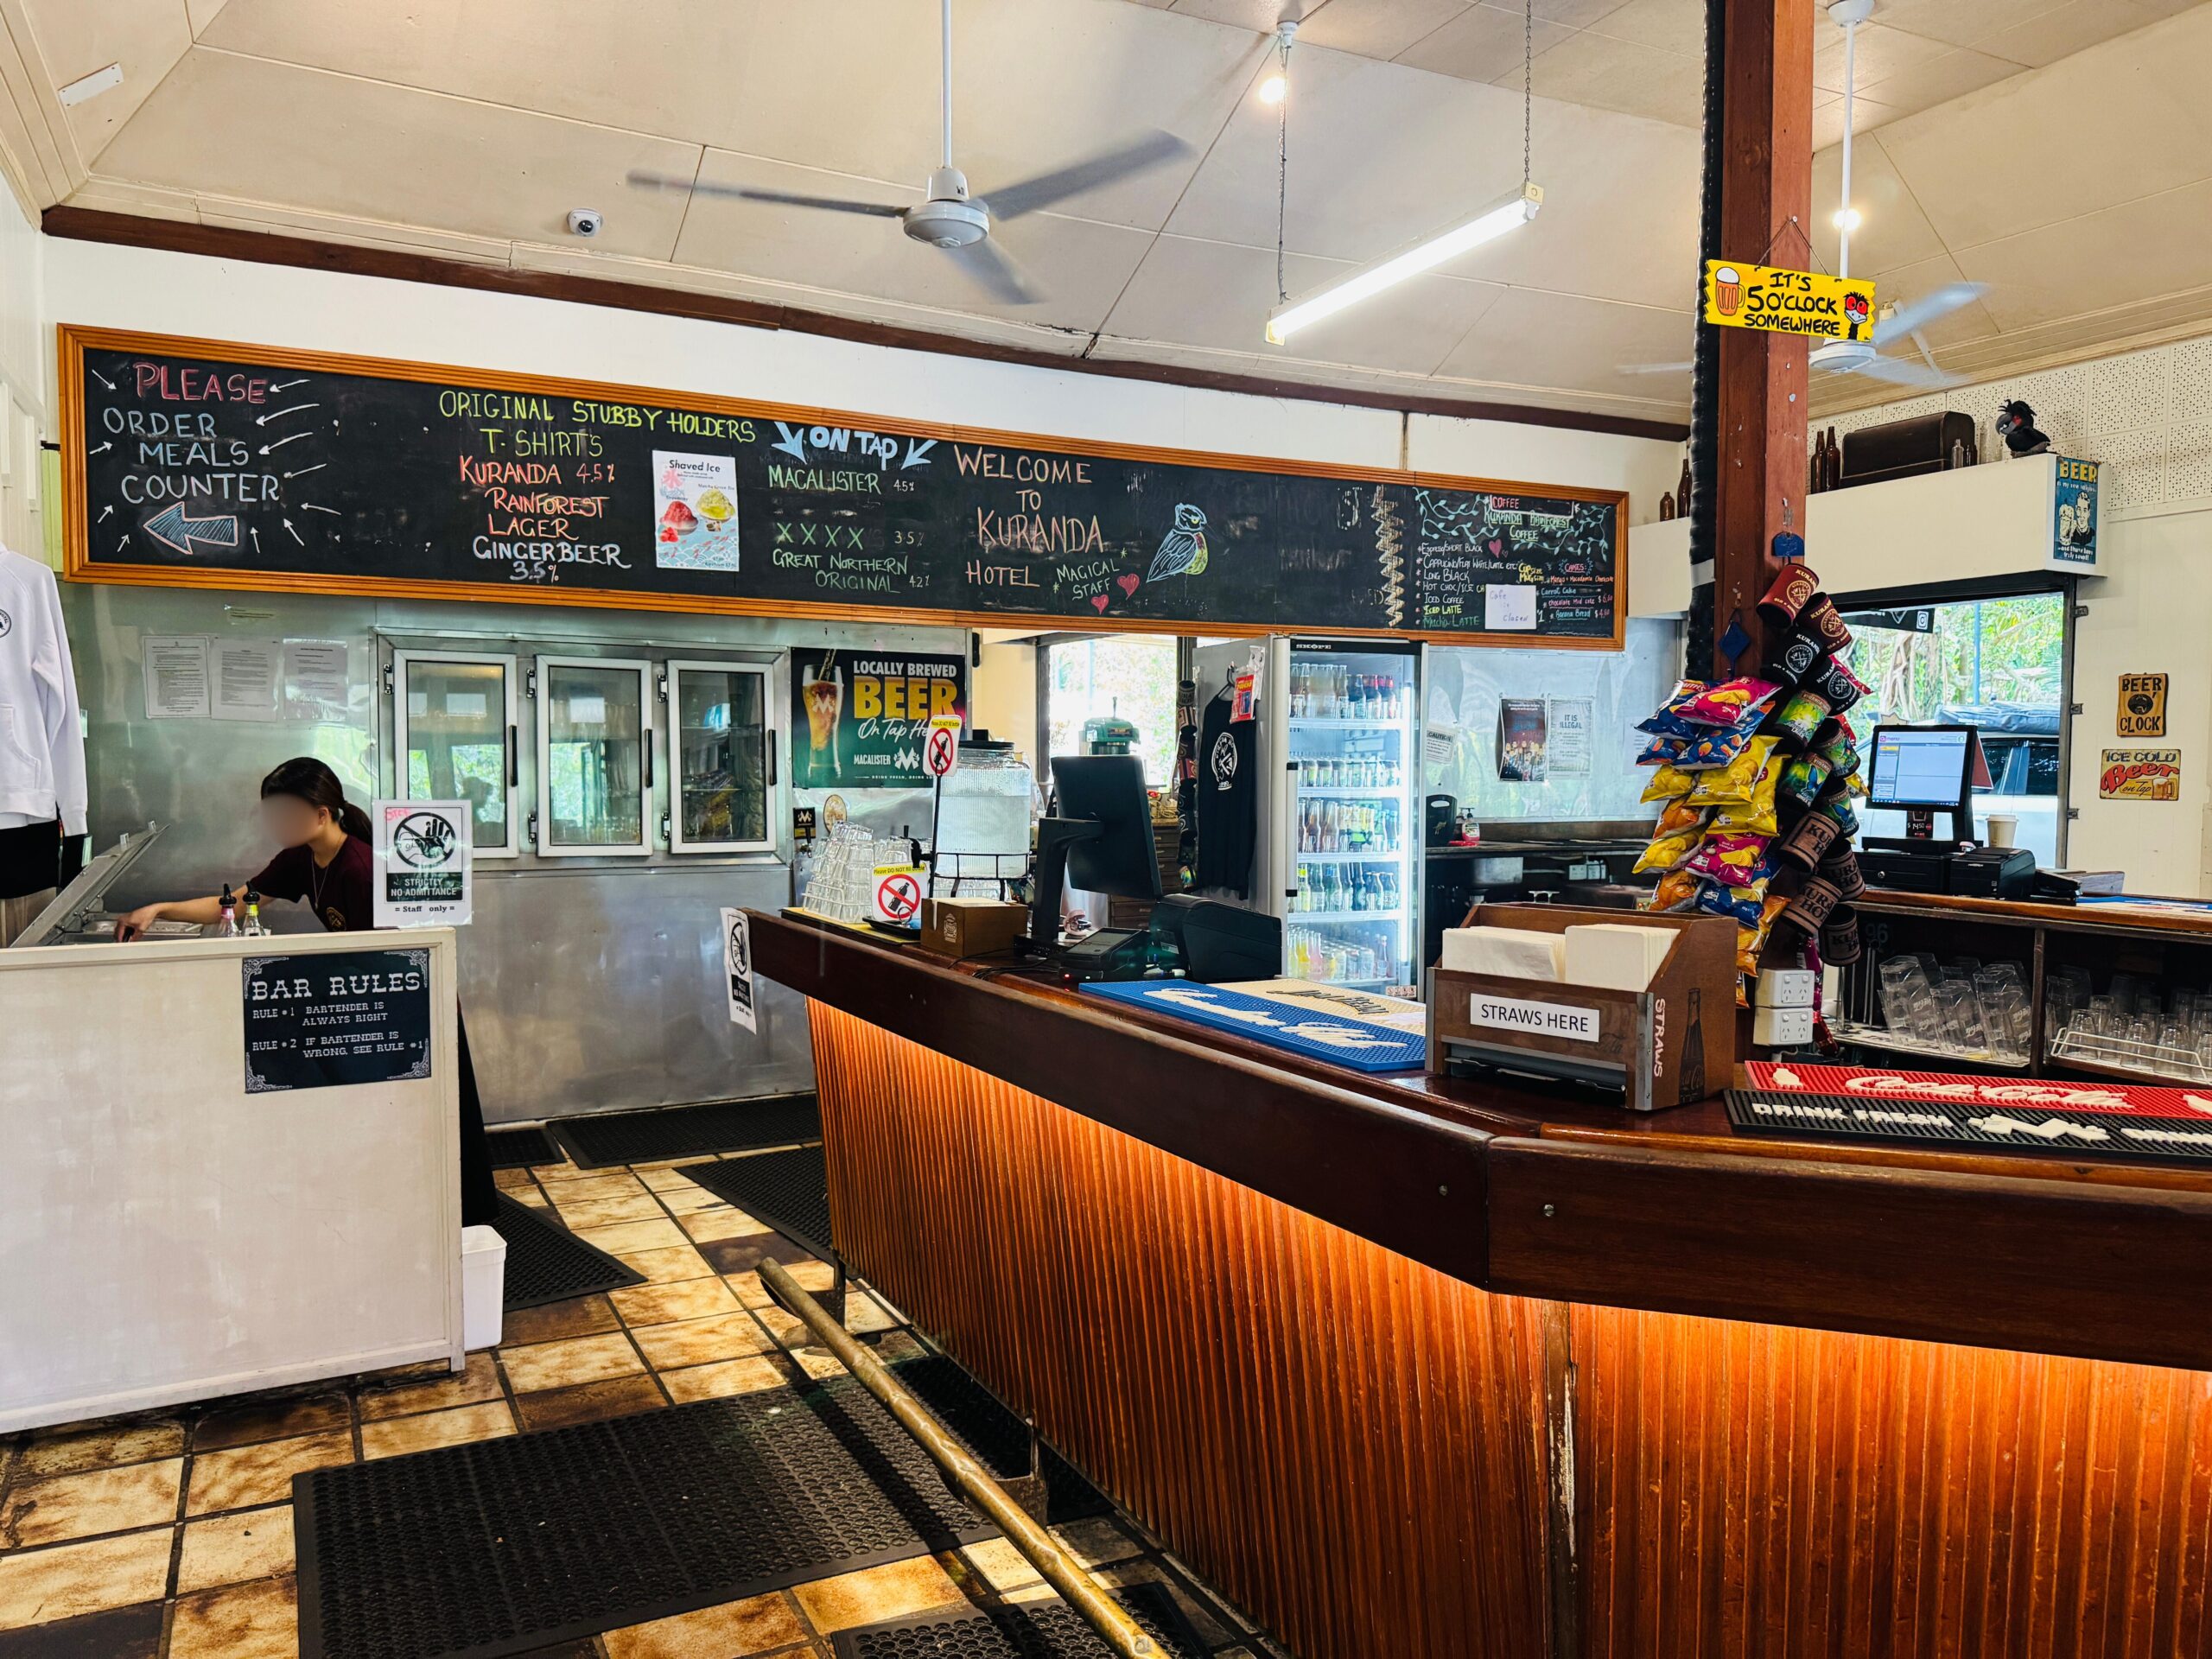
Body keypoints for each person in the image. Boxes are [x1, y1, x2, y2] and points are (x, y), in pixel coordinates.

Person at [115, 757, 499, 1226]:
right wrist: (159, 910)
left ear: (321, 814)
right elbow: (236, 903)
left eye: (284, 813)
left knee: (438, 1123)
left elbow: (393, 956)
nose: (275, 825)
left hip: (415, 1006)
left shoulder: (361, 867)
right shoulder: (302, 858)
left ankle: (460, 1221)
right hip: (373, 999)